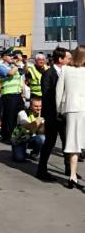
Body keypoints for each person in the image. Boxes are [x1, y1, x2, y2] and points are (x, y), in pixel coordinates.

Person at [36, 47, 72, 182]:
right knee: (49, 143)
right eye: (68, 58)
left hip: (63, 114)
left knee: (67, 142)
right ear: (60, 59)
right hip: (52, 115)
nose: (70, 60)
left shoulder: (66, 73)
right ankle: (41, 170)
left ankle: (69, 170)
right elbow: (46, 94)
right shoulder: (48, 74)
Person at [56, 45, 85, 189]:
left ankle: (72, 176)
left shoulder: (66, 70)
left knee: (74, 144)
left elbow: (59, 92)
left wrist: (59, 109)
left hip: (72, 109)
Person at [0, 49, 24, 143]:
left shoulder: (13, 66)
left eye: (13, 55)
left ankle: (15, 134)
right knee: (9, 117)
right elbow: (10, 73)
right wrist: (17, 64)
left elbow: (22, 73)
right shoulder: (1, 66)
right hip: (8, 94)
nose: (12, 57)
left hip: (17, 94)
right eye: (9, 55)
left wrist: (21, 61)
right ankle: (7, 137)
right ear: (3, 57)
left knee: (18, 115)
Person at [11, 97, 45, 162]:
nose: (38, 108)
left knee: (42, 138)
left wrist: (43, 125)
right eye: (36, 106)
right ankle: (20, 151)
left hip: (31, 139)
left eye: (40, 106)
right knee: (19, 159)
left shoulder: (42, 114)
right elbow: (28, 126)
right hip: (19, 140)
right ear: (31, 106)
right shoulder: (23, 113)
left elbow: (41, 132)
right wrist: (38, 121)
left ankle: (34, 154)